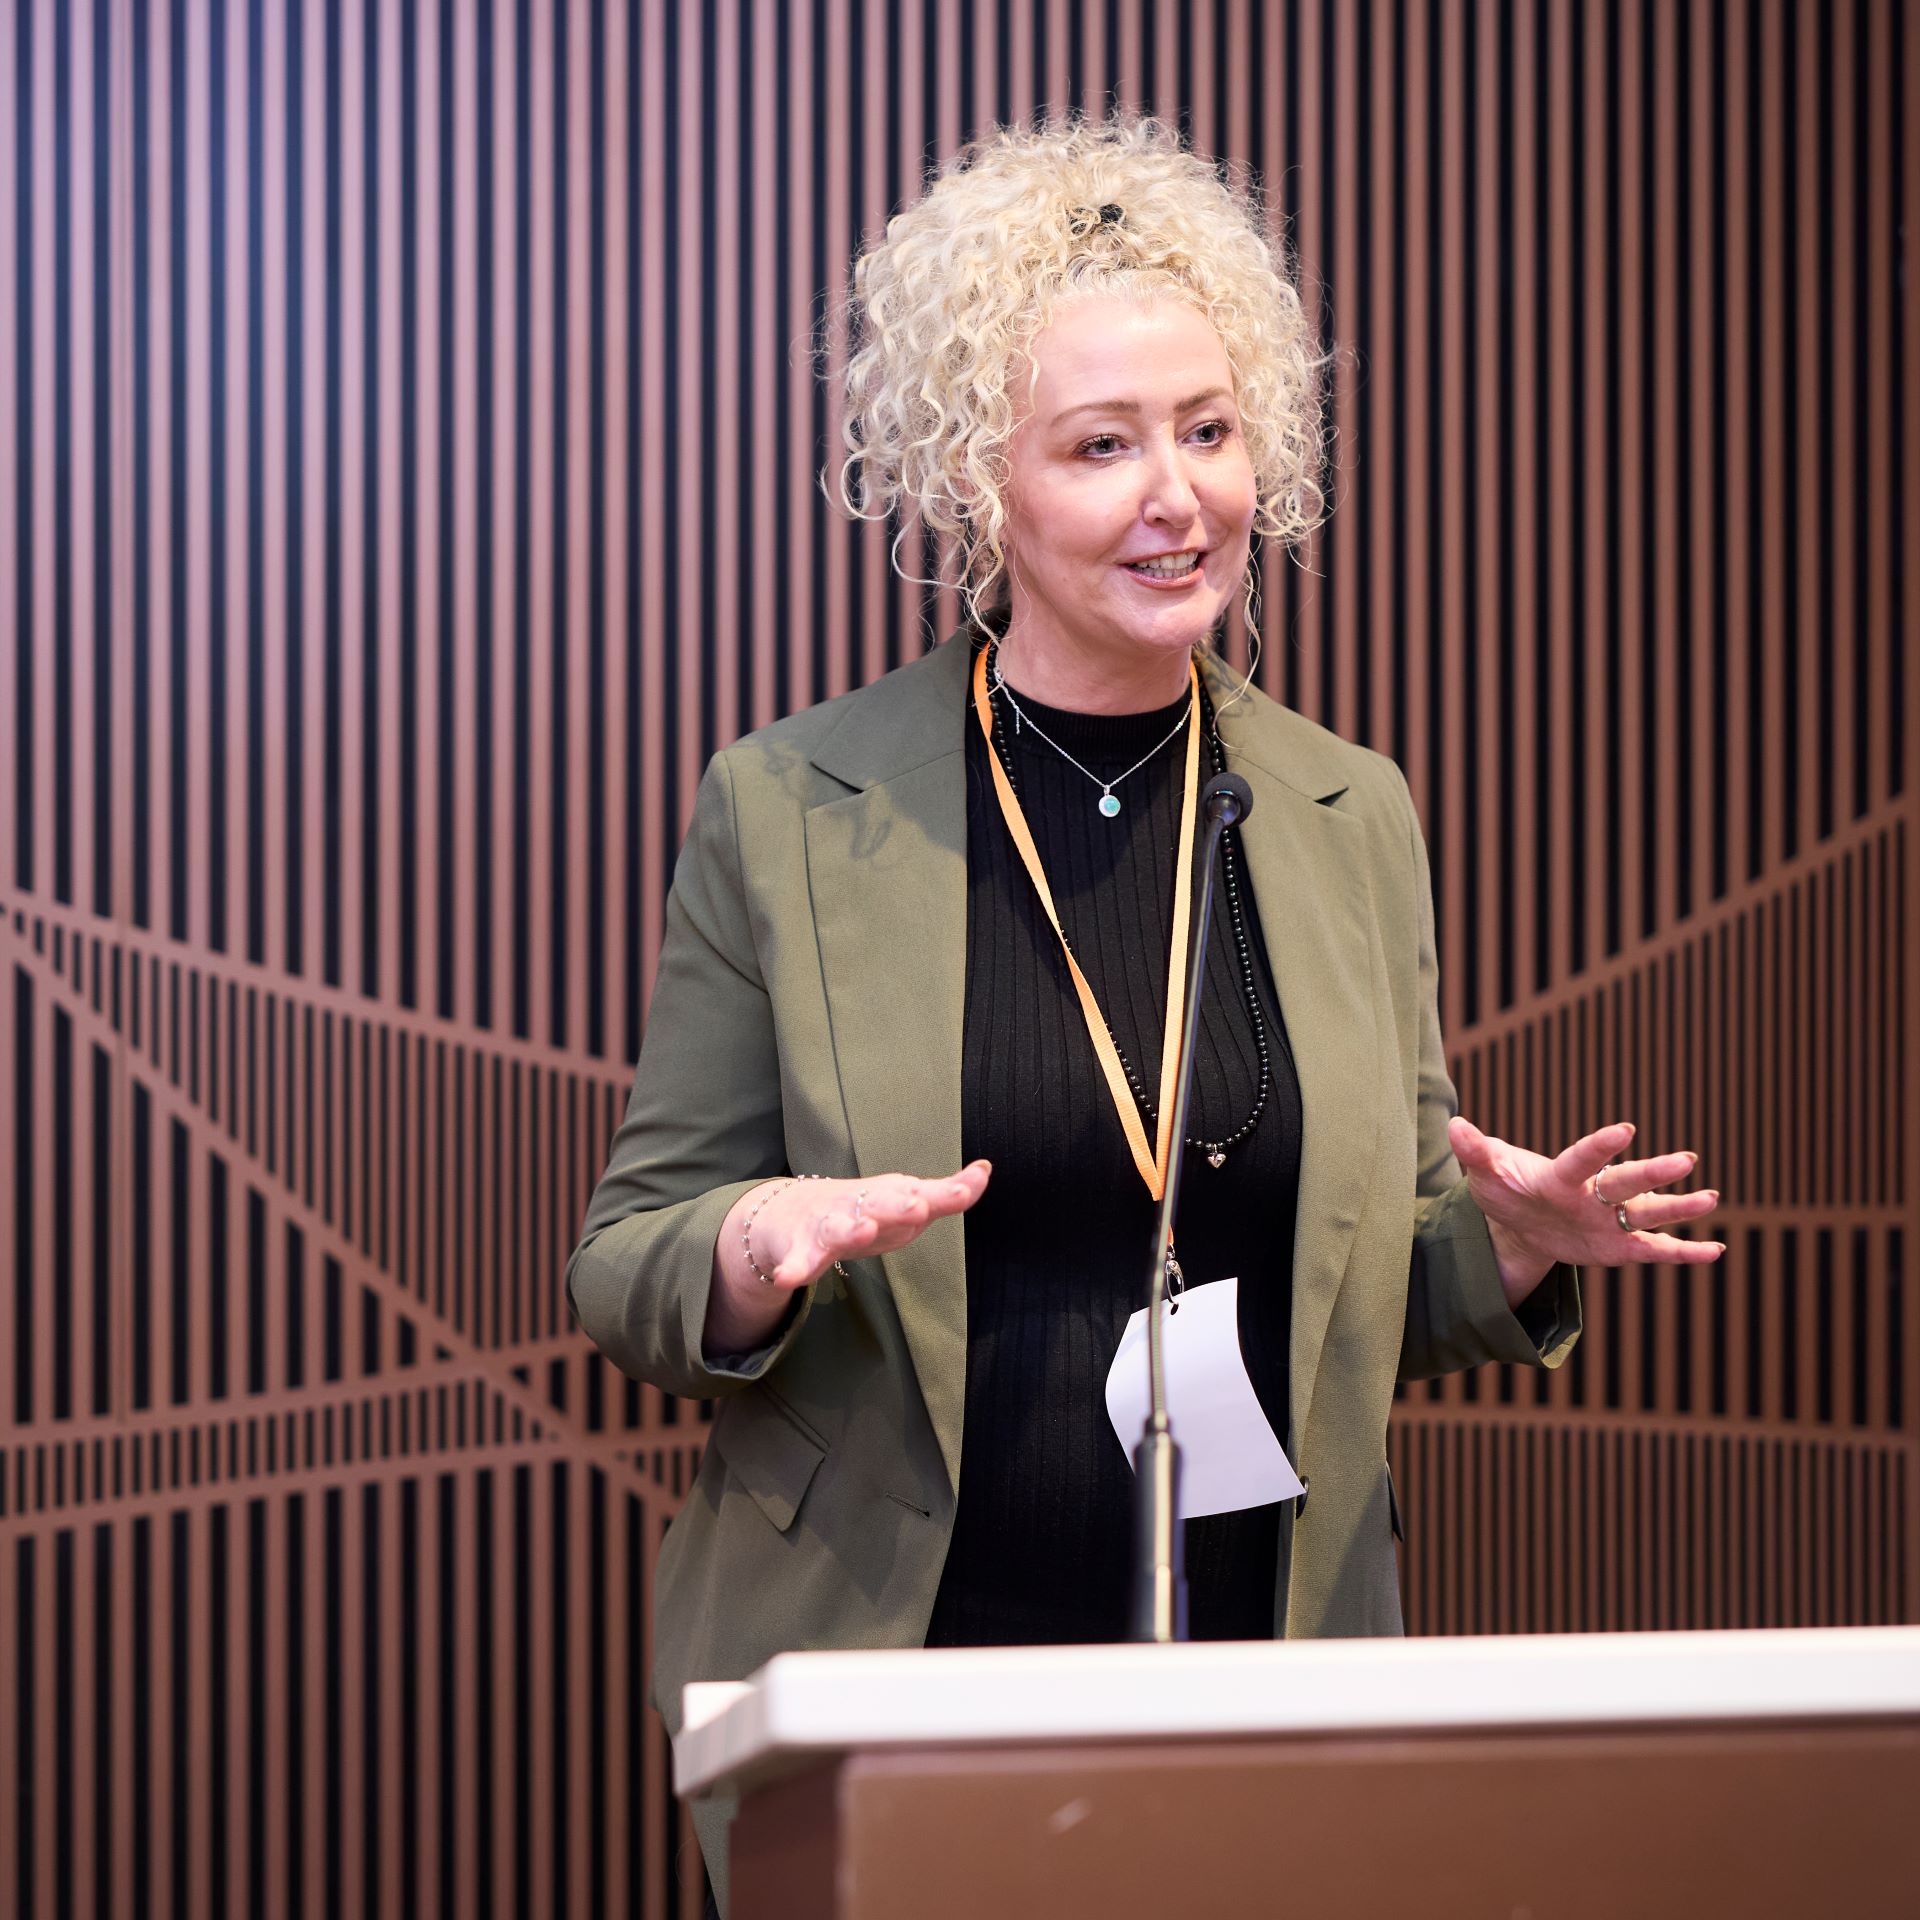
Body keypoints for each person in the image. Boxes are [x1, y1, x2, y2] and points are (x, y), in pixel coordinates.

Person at [564, 112, 1725, 1916]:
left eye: (1208, 428)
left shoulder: (1353, 813)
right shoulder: (792, 809)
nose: (1174, 496)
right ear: (983, 486)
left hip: (1261, 1682)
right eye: (1100, 446)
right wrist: (749, 1246)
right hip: (896, 1686)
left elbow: (1378, 1277)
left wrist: (1503, 1251)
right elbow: (628, 1261)